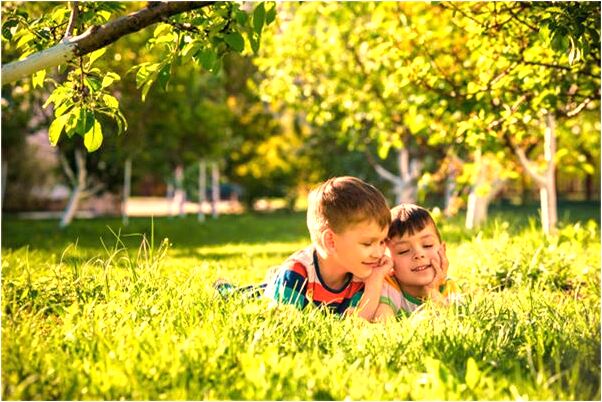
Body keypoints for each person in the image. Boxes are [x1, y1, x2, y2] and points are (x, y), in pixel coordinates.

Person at [259, 176, 393, 320]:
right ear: (331, 241)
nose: (379, 253)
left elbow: (358, 321)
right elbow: (283, 324)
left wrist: (375, 281)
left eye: (382, 242)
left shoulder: (362, 273)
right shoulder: (296, 274)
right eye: (367, 243)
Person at [374, 203, 459, 321]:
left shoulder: (448, 287)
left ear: (443, 250)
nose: (419, 255)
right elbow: (383, 322)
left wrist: (432, 291)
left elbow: (454, 320)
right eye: (404, 251)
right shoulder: (388, 287)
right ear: (387, 260)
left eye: (427, 245)